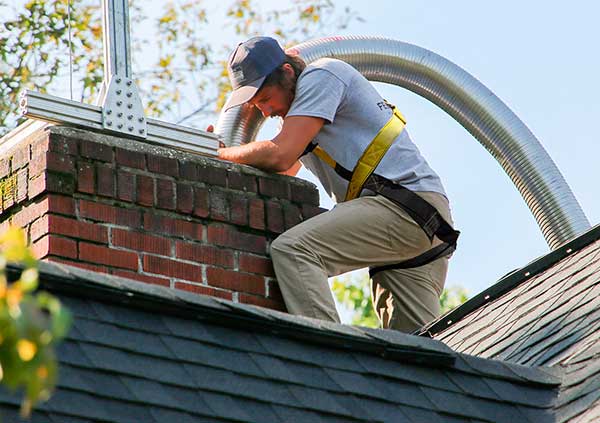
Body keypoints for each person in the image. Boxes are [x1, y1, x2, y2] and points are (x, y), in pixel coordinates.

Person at [216, 36, 458, 333]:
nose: (264, 112)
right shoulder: (303, 117)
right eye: (256, 105)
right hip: (418, 225)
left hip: (404, 208)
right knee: (415, 356)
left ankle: (332, 357)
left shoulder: (322, 76)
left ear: (288, 74)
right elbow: (284, 171)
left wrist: (218, 153)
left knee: (295, 250)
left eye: (265, 99)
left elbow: (280, 155)